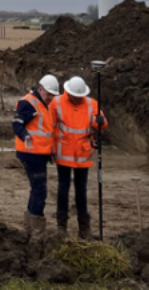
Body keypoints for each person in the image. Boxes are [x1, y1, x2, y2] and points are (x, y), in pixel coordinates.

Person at [50, 75, 108, 239]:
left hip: (83, 154)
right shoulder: (57, 102)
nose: (77, 99)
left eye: (80, 97)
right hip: (64, 153)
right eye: (75, 96)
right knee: (63, 189)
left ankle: (84, 228)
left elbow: (102, 124)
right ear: (68, 93)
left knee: (81, 191)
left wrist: (101, 122)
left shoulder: (92, 104)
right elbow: (51, 127)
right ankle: (62, 226)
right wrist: (51, 148)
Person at [13, 74, 60, 232]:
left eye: (53, 95)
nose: (51, 98)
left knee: (37, 188)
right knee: (40, 190)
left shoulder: (43, 103)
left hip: (39, 154)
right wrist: (25, 136)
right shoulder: (29, 103)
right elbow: (16, 124)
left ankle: (30, 224)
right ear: (40, 90)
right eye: (49, 94)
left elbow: (45, 131)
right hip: (30, 154)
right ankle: (36, 227)